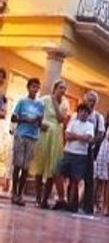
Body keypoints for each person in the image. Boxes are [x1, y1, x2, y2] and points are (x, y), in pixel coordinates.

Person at [34, 79, 69, 209]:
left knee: (53, 168)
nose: (63, 91)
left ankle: (45, 199)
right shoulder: (43, 100)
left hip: (56, 136)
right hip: (44, 134)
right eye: (61, 88)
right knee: (40, 166)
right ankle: (38, 198)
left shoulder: (65, 103)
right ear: (54, 88)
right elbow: (36, 114)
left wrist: (55, 100)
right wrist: (39, 123)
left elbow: (61, 119)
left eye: (64, 89)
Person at [9, 78, 44, 206]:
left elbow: (40, 123)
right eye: (33, 86)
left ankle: (20, 194)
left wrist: (39, 121)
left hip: (33, 136)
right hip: (21, 135)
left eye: (37, 87)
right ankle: (13, 193)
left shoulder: (40, 105)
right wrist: (26, 119)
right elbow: (14, 117)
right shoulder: (22, 102)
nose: (35, 89)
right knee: (17, 165)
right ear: (28, 87)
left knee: (26, 167)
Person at [57, 103, 95, 212]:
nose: (83, 114)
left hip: (81, 155)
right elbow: (67, 136)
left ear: (88, 114)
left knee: (75, 180)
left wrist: (75, 136)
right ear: (78, 112)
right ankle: (62, 197)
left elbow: (88, 138)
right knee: (58, 172)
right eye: (81, 111)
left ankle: (70, 203)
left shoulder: (90, 126)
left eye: (86, 112)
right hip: (68, 152)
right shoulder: (72, 123)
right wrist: (80, 137)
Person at [81, 90, 106, 214]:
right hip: (76, 149)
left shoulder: (98, 117)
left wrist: (92, 142)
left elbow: (101, 133)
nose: (91, 103)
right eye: (89, 100)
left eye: (93, 101)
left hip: (89, 150)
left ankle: (87, 205)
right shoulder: (78, 114)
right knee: (73, 177)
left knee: (89, 179)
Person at [93, 107, 109, 213]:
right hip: (103, 150)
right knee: (97, 178)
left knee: (108, 180)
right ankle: (93, 201)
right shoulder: (105, 123)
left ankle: (104, 204)